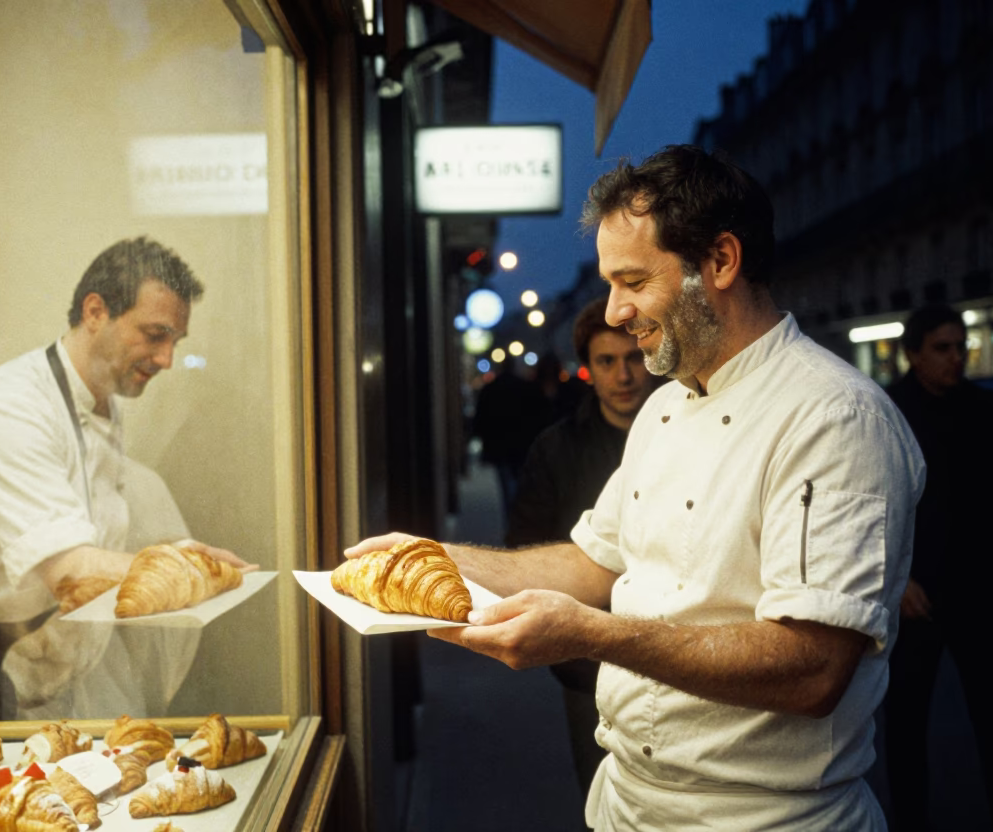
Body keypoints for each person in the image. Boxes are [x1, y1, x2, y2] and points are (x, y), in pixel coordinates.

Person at [347, 145, 925, 830]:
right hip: (627, 804)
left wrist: (593, 635)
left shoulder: (836, 417)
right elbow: (595, 560)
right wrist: (436, 558)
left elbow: (812, 669)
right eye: (609, 284)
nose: (615, 311)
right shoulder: (664, 405)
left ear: (720, 262)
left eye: (632, 282)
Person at [0, 236, 248, 747]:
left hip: (17, 652)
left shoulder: (104, 402)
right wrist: (181, 567)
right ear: (95, 311)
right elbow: (69, 570)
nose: (166, 358)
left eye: (175, 341)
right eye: (155, 334)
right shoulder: (11, 408)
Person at [883, 304, 993, 831]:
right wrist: (897, 580)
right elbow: (869, 508)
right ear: (912, 354)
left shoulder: (992, 409)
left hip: (986, 596)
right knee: (906, 731)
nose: (956, 358)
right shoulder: (886, 412)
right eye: (942, 348)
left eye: (961, 346)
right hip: (917, 599)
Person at [505, 296, 655, 801]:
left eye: (633, 358)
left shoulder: (679, 436)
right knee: (601, 794)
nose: (624, 374)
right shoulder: (556, 447)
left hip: (670, 648)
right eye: (607, 362)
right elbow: (524, 546)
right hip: (586, 665)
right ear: (588, 368)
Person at [471, 355, 549, 517]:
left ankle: (512, 516)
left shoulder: (491, 388)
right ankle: (518, 515)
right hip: (521, 444)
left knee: (506, 484)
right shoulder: (525, 387)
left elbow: (481, 417)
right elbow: (538, 417)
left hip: (499, 444)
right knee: (520, 480)